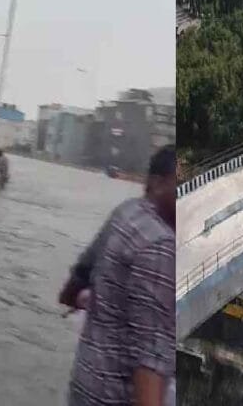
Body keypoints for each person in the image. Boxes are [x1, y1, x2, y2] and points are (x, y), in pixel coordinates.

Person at [61, 145, 175, 406]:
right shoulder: (160, 245)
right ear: (157, 184)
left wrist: (93, 298)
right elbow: (150, 364)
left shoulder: (126, 212)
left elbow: (77, 279)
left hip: (83, 388)